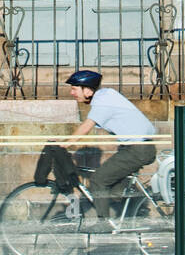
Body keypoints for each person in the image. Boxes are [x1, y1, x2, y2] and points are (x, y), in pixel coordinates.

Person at [64, 70, 156, 227]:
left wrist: (64, 144)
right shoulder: (106, 95)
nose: (72, 93)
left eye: (74, 89)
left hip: (137, 149)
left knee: (98, 180)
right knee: (114, 191)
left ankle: (103, 225)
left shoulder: (103, 101)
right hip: (134, 147)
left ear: (87, 90)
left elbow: (87, 126)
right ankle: (136, 213)